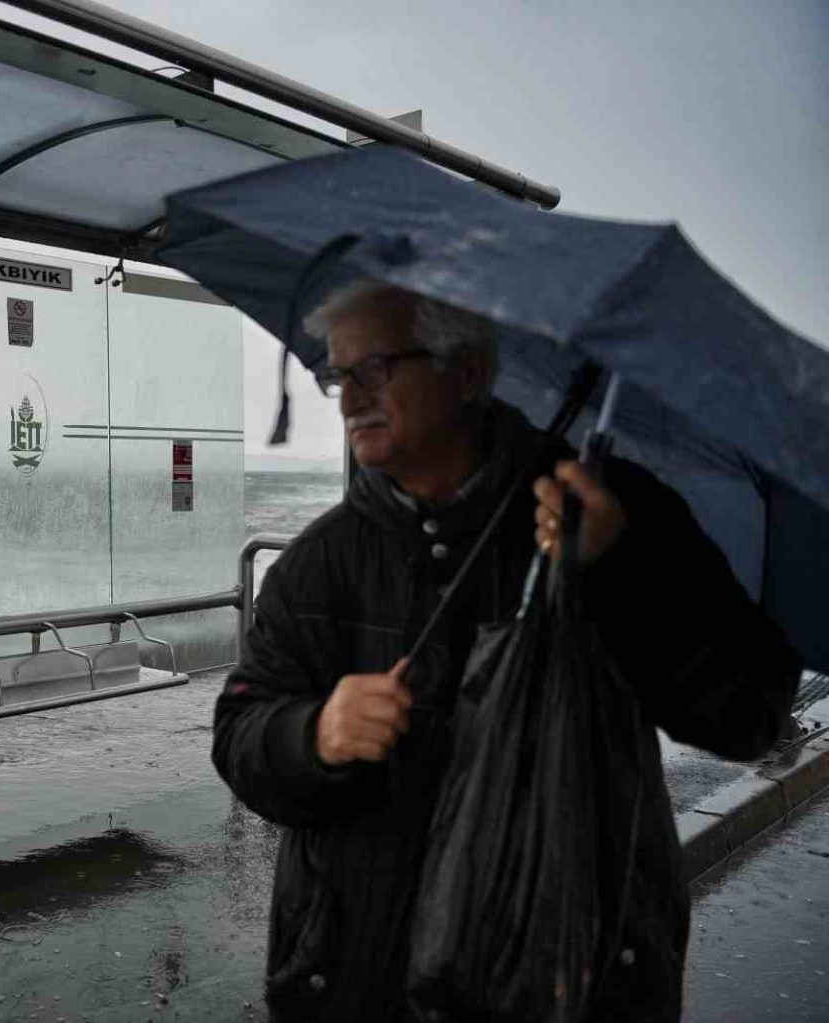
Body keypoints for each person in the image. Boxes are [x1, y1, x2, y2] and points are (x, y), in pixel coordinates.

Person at [213, 280, 802, 1022]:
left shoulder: (616, 512)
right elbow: (239, 732)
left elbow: (747, 713)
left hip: (574, 974)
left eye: (376, 369)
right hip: (364, 980)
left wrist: (621, 570)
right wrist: (312, 735)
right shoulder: (319, 563)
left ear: (466, 372)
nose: (350, 397)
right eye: (339, 374)